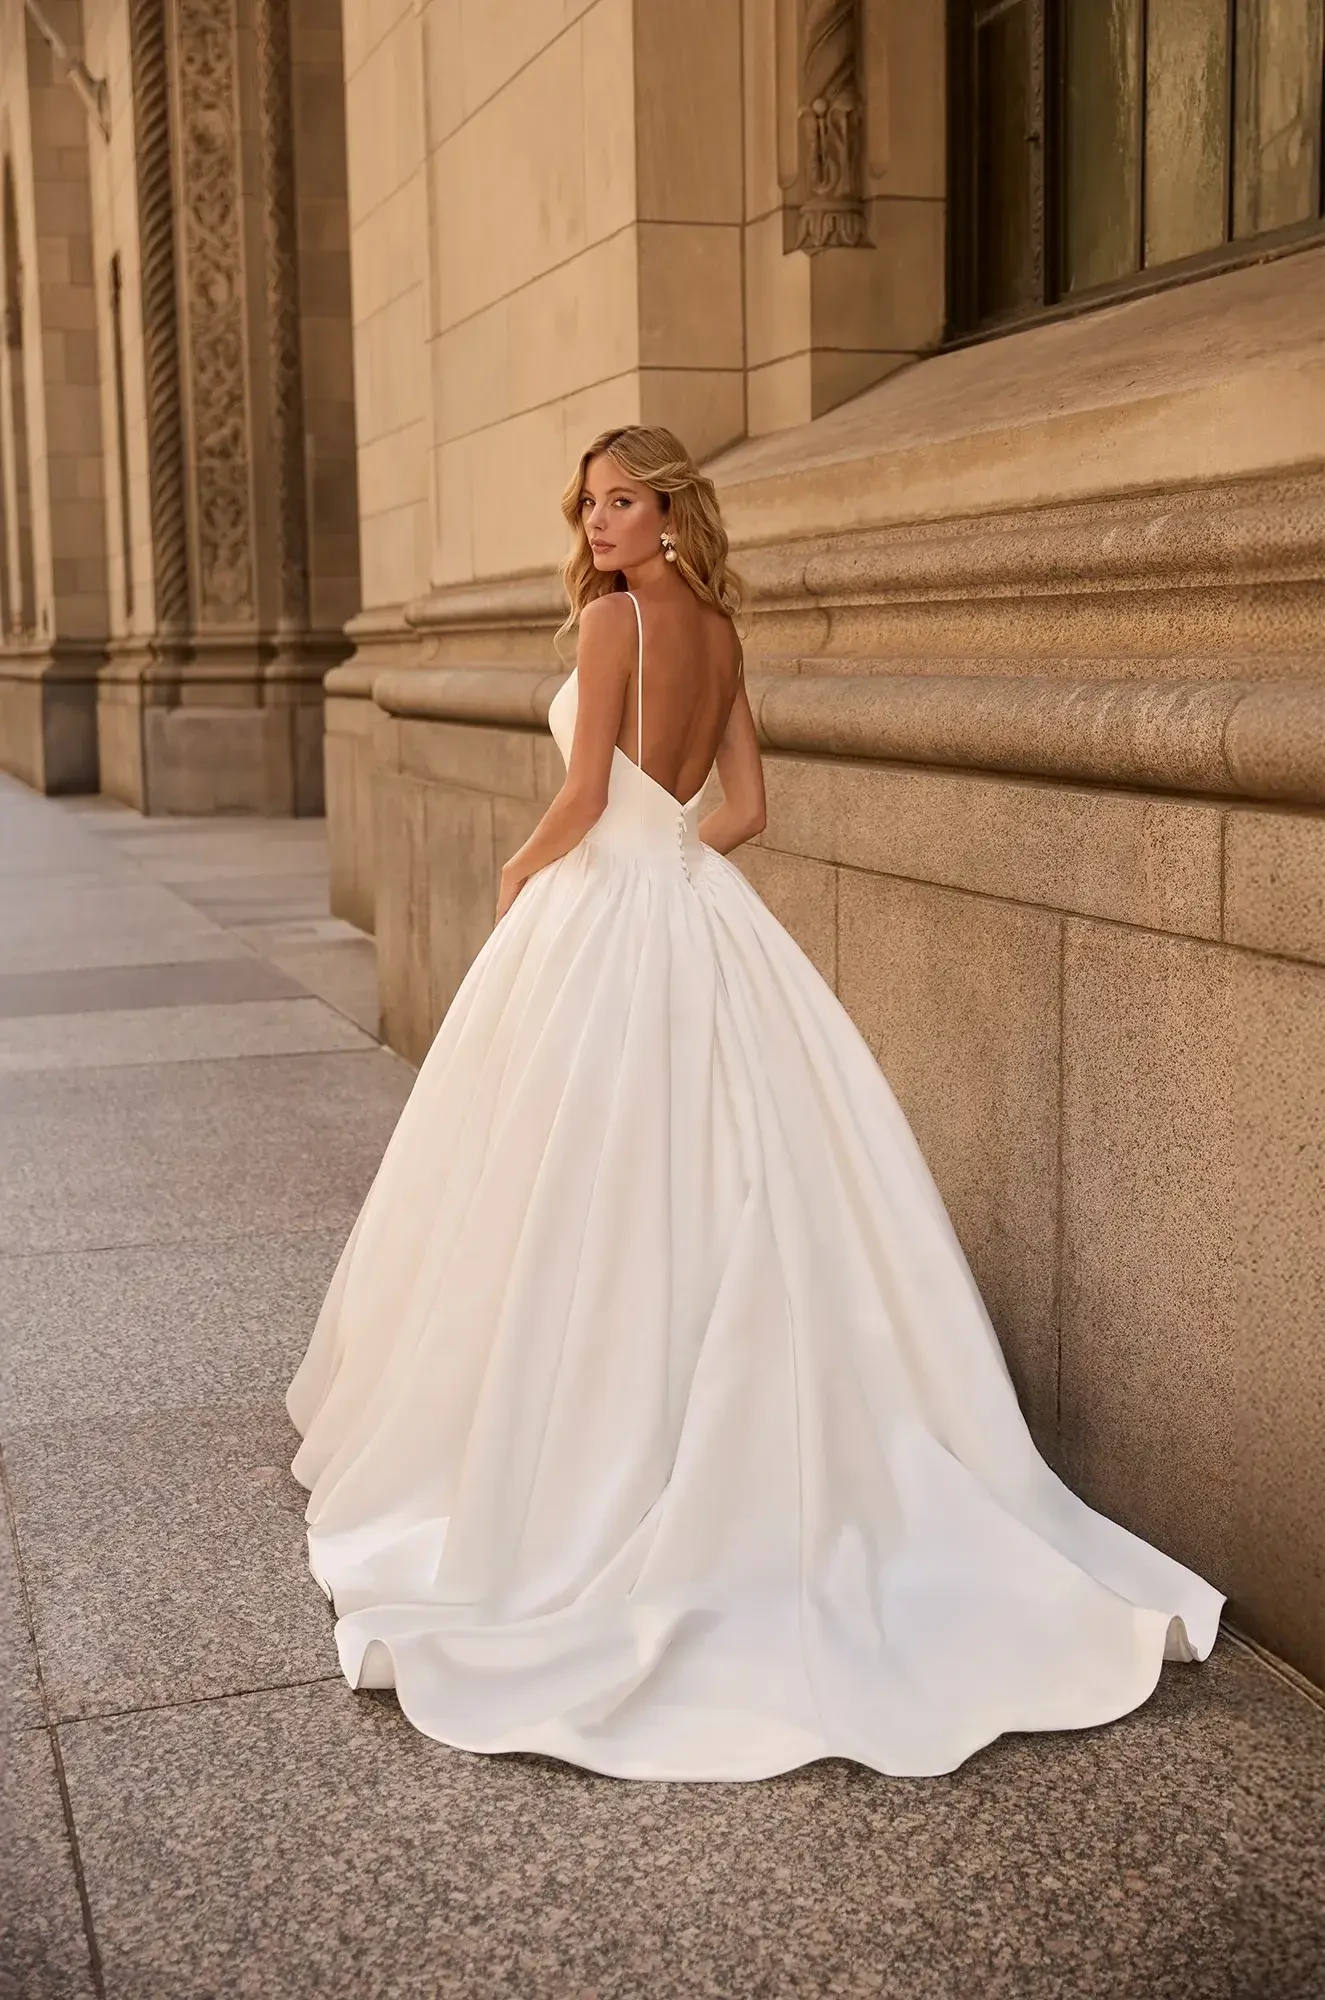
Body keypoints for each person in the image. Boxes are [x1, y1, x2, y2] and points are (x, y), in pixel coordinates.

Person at [286, 425, 1222, 1782]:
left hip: (602, 912)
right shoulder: (720, 628)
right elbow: (749, 808)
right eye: (590, 503)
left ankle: (578, 1447)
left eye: (622, 501)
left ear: (670, 508)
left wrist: (522, 875)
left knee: (575, 1173)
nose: (598, 524)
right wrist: (669, 856)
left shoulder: (613, 622)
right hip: (690, 907)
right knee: (712, 1160)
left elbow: (582, 790)